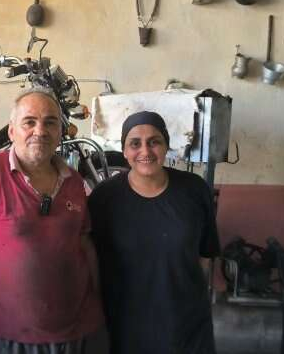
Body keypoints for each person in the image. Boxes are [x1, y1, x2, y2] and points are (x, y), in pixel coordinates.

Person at [0, 88, 104, 354]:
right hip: (11, 334)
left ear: (60, 132)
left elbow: (84, 246)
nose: (40, 131)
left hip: (82, 330)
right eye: (29, 122)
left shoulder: (75, 182)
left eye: (50, 122)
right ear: (12, 131)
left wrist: (102, 309)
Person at [88, 111, 220, 354]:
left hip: (186, 324)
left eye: (154, 142)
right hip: (126, 324)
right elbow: (92, 261)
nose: (145, 151)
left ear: (166, 146)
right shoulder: (104, 198)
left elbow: (205, 253)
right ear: (124, 151)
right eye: (135, 144)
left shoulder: (194, 190)